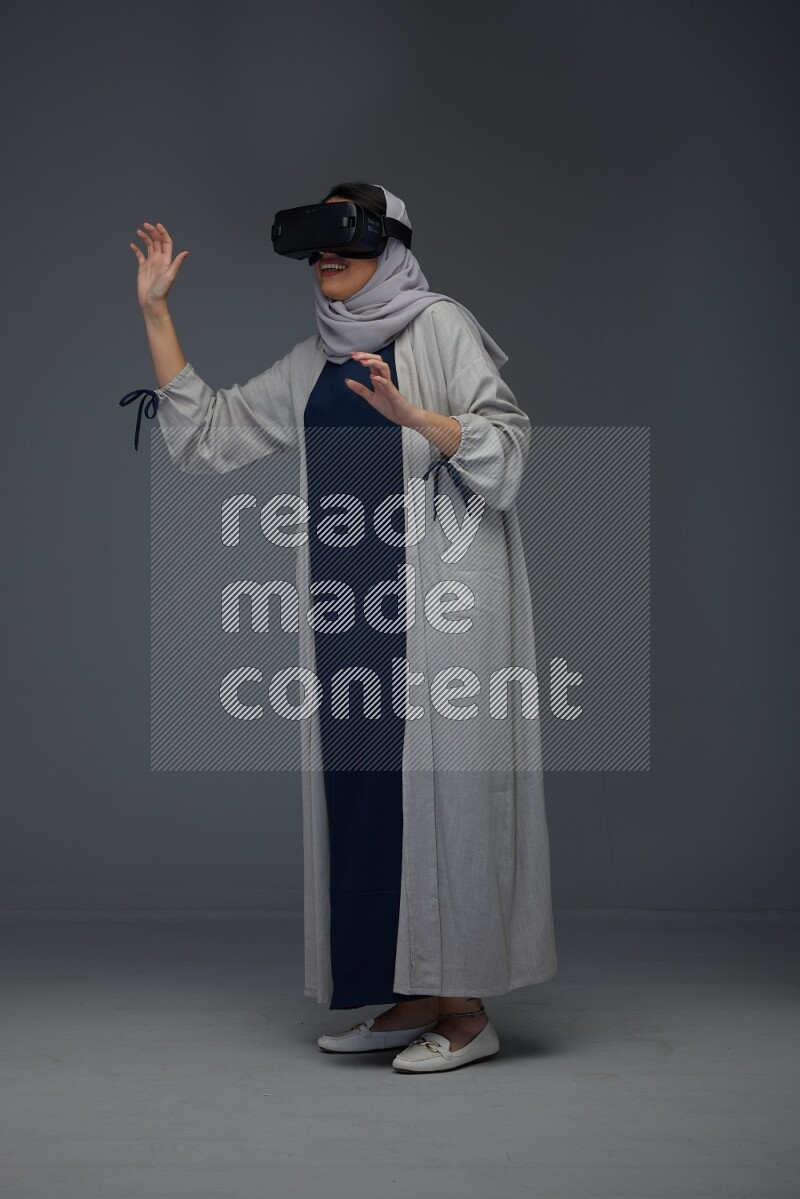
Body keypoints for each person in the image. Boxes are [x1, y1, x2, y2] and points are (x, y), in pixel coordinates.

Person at [128, 181, 557, 1074]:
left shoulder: (439, 328)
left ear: (390, 245)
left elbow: (509, 448)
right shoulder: (313, 360)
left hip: (441, 609)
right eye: (316, 245)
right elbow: (210, 434)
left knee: (450, 798)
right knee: (367, 798)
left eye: (345, 239)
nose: (327, 257)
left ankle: (467, 1010)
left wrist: (419, 418)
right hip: (348, 611)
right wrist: (157, 313)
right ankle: (407, 992)